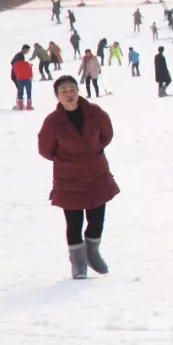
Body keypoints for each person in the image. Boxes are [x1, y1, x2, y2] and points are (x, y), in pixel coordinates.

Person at [38, 75, 120, 279]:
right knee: (74, 223)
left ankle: (92, 253)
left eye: (72, 89)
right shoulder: (53, 122)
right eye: (64, 91)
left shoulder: (95, 112)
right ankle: (78, 263)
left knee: (97, 221)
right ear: (57, 96)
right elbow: (45, 149)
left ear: (78, 91)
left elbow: (106, 135)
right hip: (69, 179)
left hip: (96, 174)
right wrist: (68, 160)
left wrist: (93, 152)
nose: (69, 94)